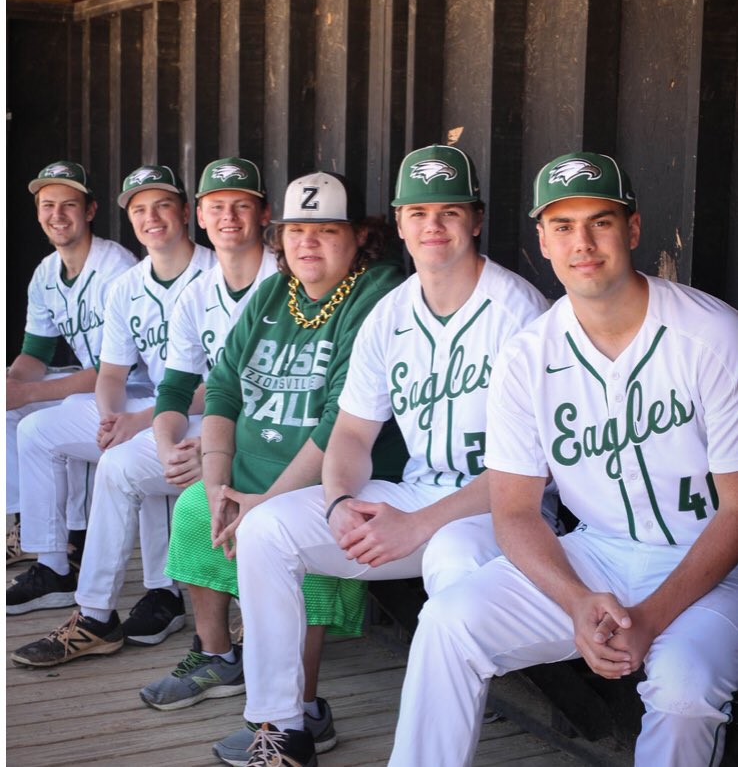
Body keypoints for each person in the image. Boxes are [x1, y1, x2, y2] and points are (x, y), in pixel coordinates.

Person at [388, 151, 738, 767]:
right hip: (598, 552)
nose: (583, 243)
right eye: (563, 226)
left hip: (712, 565)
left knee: (685, 688)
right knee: (448, 621)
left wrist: (651, 617)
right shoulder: (527, 355)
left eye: (601, 222)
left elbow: (736, 510)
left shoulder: (713, 337)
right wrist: (575, 600)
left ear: (632, 230)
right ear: (543, 241)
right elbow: (515, 511)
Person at [217, 144, 554, 767]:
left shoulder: (520, 314)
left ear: (476, 220)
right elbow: (350, 434)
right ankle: (285, 726)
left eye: (449, 212)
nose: (433, 226)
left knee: (452, 556)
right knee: (267, 529)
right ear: (399, 222)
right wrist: (339, 501)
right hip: (416, 496)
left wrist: (419, 524)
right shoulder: (390, 312)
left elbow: (529, 476)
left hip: (501, 512)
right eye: (418, 212)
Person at [142, 170, 406, 753]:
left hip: (332, 476)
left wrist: (267, 501)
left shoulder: (376, 293)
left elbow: (340, 419)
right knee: (195, 508)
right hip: (256, 467)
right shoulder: (276, 292)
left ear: (360, 236)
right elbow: (223, 389)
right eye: (296, 230)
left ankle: (304, 711)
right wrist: (218, 485)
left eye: (327, 230)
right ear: (280, 237)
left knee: (286, 540)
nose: (308, 242)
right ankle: (217, 656)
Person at [9, 165, 215, 657]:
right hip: (148, 403)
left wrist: (137, 421)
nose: (152, 217)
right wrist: (109, 418)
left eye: (163, 206)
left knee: (137, 453)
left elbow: (222, 387)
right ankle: (55, 564)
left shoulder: (214, 274)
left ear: (187, 213)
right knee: (37, 429)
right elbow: (110, 374)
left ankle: (159, 592)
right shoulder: (132, 284)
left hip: (197, 411)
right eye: (140, 209)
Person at [6, 161, 137, 566]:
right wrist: (12, 385)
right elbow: (36, 353)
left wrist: (28, 393)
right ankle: (20, 525)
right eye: (48, 205)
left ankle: (70, 537)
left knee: (61, 410)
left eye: (69, 205)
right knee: (8, 407)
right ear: (38, 213)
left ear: (90, 210)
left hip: (135, 388)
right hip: (95, 381)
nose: (57, 215)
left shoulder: (116, 268)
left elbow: (117, 371)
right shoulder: (46, 273)